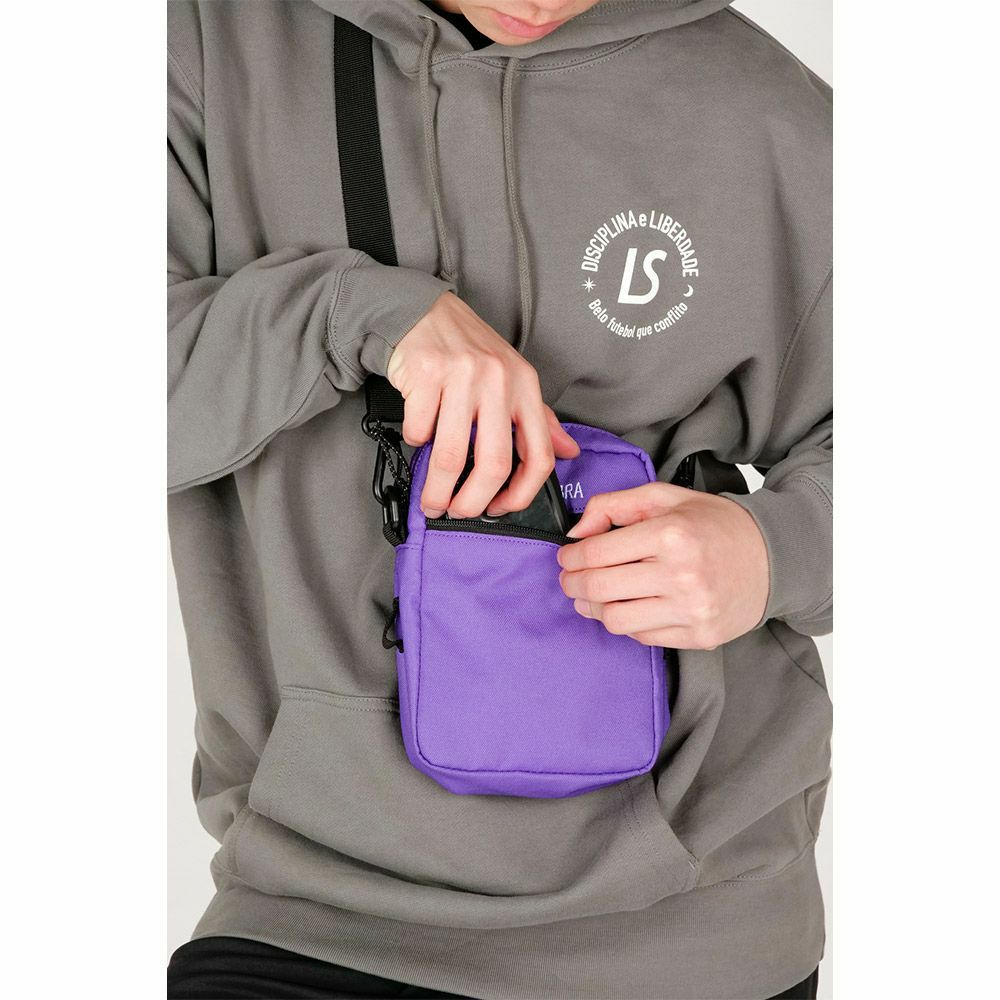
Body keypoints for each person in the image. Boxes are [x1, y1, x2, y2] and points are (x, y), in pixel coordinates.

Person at [167, 1, 832, 997]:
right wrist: (351, 314)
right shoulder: (206, 44)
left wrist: (775, 550)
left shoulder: (771, 111)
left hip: (695, 930)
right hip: (311, 907)